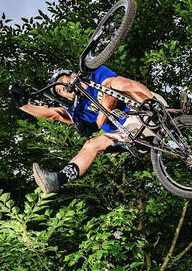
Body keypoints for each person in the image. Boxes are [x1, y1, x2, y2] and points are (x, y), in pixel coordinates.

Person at [11, 66, 164, 195]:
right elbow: (53, 114)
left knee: (117, 82)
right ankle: (57, 179)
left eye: (62, 82)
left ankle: (155, 107)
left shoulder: (95, 77)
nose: (63, 89)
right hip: (135, 133)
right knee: (91, 144)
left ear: (74, 76)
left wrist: (98, 123)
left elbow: (109, 92)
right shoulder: (80, 110)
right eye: (60, 91)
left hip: (145, 110)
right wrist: (23, 106)